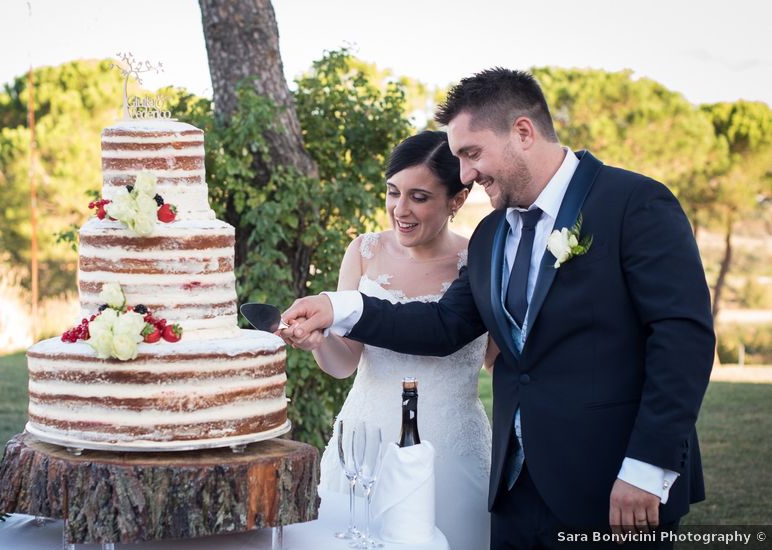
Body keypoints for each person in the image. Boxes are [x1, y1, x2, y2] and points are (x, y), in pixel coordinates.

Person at [282, 68, 714, 549]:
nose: (466, 173)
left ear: (523, 133)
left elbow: (682, 340)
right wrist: (339, 306)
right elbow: (443, 326)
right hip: (513, 494)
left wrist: (647, 468)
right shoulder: (492, 235)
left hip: (612, 487)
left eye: (472, 153)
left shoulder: (633, 203)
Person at [294, 131, 494, 549]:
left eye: (419, 197)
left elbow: (496, 357)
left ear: (457, 199)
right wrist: (319, 342)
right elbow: (344, 363)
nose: (399, 210)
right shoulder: (364, 251)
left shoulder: (480, 260)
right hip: (366, 448)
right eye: (392, 193)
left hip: (452, 453)